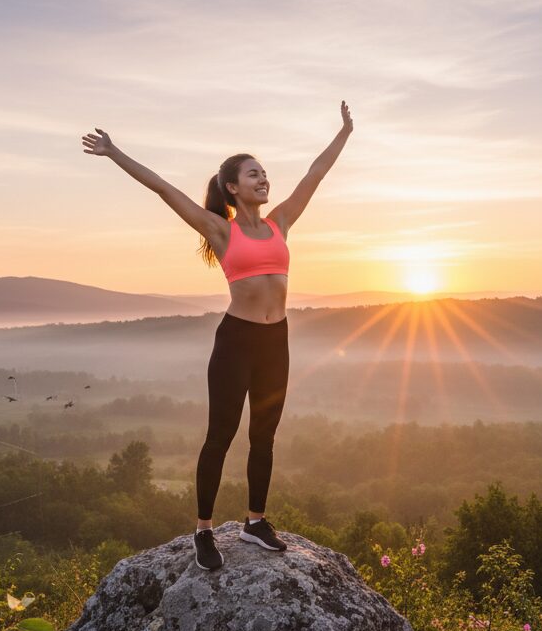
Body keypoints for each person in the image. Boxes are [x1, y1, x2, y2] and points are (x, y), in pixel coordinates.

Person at [83, 101, 354, 570]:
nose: (264, 179)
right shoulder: (219, 230)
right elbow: (163, 188)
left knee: (264, 436)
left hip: (277, 342)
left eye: (265, 173)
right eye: (253, 174)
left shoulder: (280, 222)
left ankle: (254, 523)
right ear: (232, 187)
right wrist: (114, 152)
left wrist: (345, 132)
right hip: (236, 343)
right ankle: (203, 531)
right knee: (220, 437)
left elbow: (316, 173)